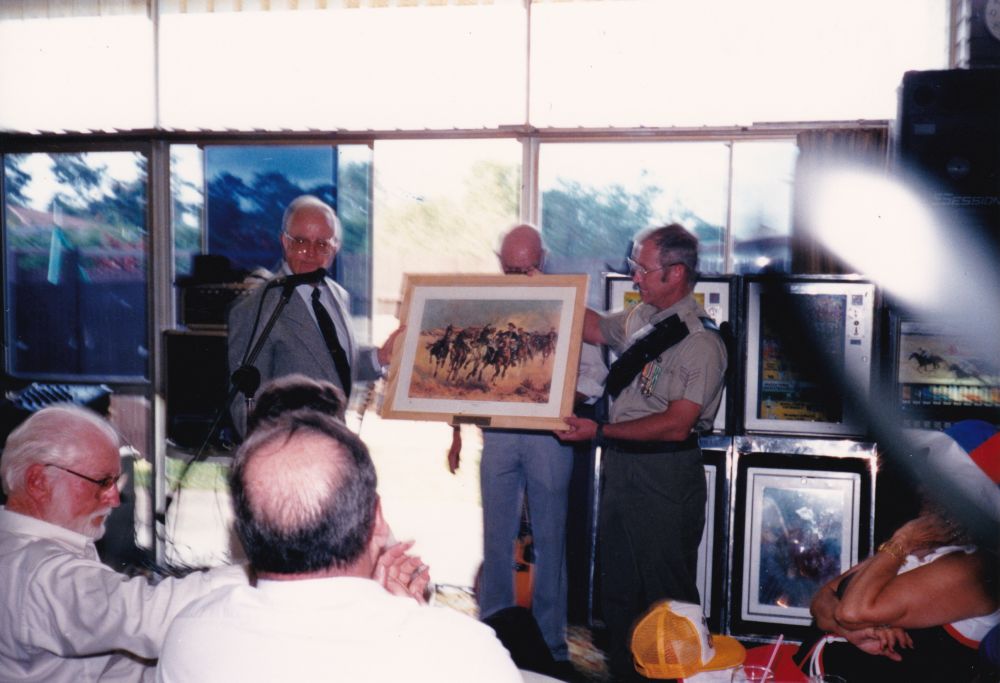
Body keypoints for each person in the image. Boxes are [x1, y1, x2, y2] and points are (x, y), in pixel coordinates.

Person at [156, 409, 522, 683]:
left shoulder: (190, 635)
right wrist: (412, 618)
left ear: (246, 532)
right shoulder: (465, 654)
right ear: (377, 520)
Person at [558, 223, 727, 681]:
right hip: (623, 471)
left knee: (667, 606)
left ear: (674, 273)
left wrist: (600, 432)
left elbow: (675, 426)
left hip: (666, 479)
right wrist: (542, 293)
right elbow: (593, 326)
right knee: (620, 599)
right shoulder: (641, 320)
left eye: (641, 268)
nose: (634, 277)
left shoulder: (700, 342)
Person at [449, 224, 607, 678]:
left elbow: (595, 375)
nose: (519, 274)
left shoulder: (569, 303)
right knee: (495, 537)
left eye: (529, 266)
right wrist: (458, 429)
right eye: (510, 267)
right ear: (499, 262)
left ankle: (552, 648)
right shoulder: (487, 306)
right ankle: (494, 636)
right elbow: (467, 375)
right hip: (498, 434)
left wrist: (563, 397)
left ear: (546, 259)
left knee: (551, 540)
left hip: (549, 436)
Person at [0, 404, 249, 683]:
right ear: (38, 481)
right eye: (102, 481)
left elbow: (109, 662)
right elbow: (146, 618)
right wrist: (263, 571)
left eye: (115, 482)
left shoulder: (19, 546)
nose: (114, 500)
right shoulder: (40, 573)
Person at [800, 420, 1000, 683]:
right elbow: (821, 602)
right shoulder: (928, 547)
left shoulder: (974, 569)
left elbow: (852, 611)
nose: (923, 489)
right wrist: (854, 633)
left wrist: (903, 540)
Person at [227, 194, 398, 435]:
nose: (310, 252)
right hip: (287, 451)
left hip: (333, 444)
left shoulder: (338, 295)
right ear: (284, 242)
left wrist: (380, 356)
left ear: (335, 247)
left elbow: (332, 364)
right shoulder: (257, 306)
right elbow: (244, 405)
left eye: (322, 244)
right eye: (300, 241)